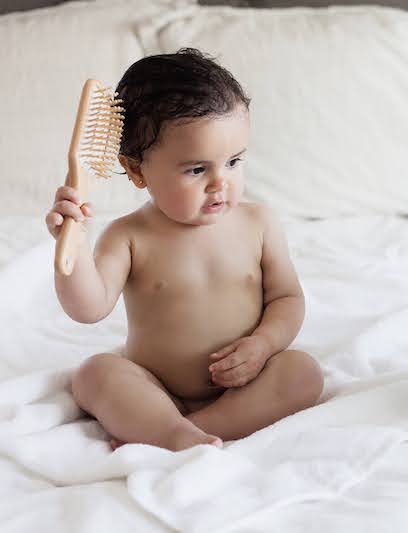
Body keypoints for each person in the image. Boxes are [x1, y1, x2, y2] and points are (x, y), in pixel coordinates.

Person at [45, 48, 323, 451]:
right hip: (155, 387)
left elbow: (287, 297)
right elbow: (88, 309)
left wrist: (263, 345)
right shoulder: (128, 236)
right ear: (137, 170)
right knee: (94, 374)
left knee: (303, 372)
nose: (220, 183)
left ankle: (185, 431)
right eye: (197, 169)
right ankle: (171, 426)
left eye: (233, 162)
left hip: (246, 383)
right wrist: (72, 246)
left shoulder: (259, 223)